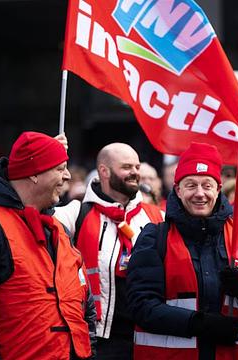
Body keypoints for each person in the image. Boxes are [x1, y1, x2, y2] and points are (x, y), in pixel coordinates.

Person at [0, 131, 96, 360]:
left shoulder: (58, 230)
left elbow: (85, 307)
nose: (67, 176)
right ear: (34, 174)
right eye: (60, 168)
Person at [126, 142, 238, 359]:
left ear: (218, 189)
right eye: (191, 185)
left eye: (207, 185)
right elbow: (140, 306)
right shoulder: (154, 237)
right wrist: (198, 324)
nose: (200, 194)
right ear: (178, 190)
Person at [55, 142, 163, 359]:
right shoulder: (77, 213)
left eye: (137, 167)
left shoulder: (157, 216)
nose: (135, 173)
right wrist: (54, 165)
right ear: (104, 171)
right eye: (126, 167)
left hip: (146, 334)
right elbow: (36, 213)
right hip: (99, 337)